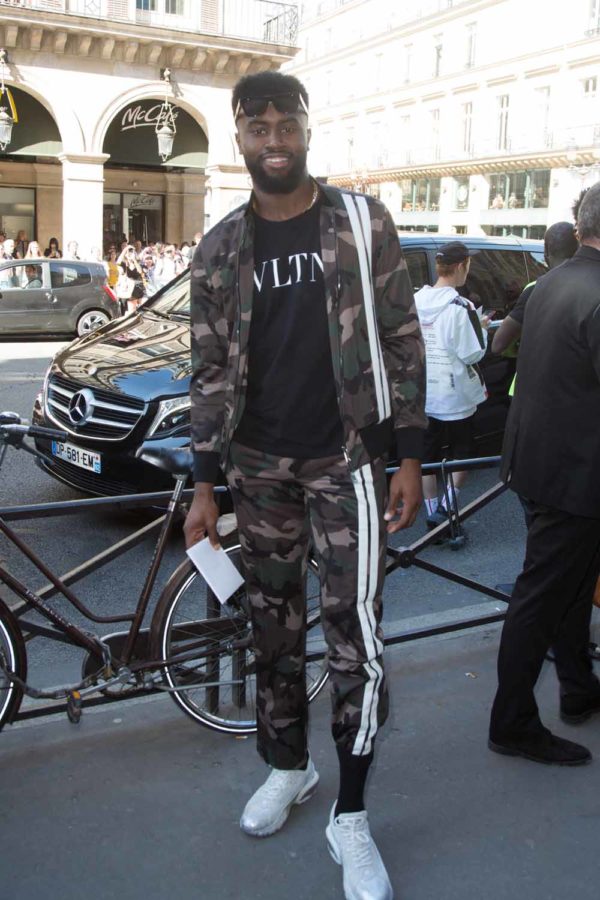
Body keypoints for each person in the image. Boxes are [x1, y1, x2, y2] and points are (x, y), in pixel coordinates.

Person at [184, 70, 426, 900]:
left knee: (357, 638)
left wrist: (408, 456)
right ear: (241, 138)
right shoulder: (219, 247)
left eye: (288, 123)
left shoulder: (360, 221)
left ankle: (351, 818)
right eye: (259, 126)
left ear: (309, 129)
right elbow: (208, 371)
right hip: (257, 473)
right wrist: (205, 482)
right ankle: (288, 768)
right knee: (272, 632)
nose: (275, 138)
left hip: (347, 462)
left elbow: (401, 337)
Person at [488, 182, 600, 766]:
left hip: (536, 462)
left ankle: (578, 690)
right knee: (541, 597)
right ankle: (512, 722)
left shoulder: (552, 280)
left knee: (571, 588)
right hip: (574, 475)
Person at [414, 241, 489, 530]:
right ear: (460, 266)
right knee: (462, 450)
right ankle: (447, 511)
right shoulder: (462, 306)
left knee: (427, 454)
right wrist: (480, 329)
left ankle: (433, 510)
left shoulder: (415, 300)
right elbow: (472, 353)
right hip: (455, 393)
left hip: (424, 391)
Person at [492, 222, 579, 357]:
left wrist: (519, 349)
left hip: (531, 375)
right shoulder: (591, 287)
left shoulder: (534, 289)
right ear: (579, 250)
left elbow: (498, 345)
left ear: (545, 252)